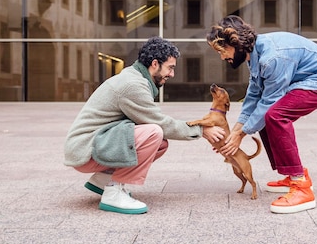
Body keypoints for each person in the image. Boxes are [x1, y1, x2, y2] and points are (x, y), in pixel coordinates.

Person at [64, 36, 225, 215]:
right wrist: (201, 130)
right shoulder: (133, 85)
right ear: (155, 64)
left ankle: (104, 179)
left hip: (94, 144)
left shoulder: (135, 77)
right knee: (153, 133)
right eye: (170, 68)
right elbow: (161, 123)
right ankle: (114, 192)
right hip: (86, 150)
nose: (172, 74)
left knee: (160, 143)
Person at [206, 15, 317, 214]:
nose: (222, 57)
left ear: (235, 43)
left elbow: (269, 101)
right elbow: (254, 93)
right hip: (304, 81)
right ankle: (294, 174)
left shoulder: (272, 58)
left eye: (223, 51)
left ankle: (302, 188)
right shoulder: (253, 54)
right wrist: (236, 130)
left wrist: (240, 134)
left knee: (275, 116)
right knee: (266, 118)